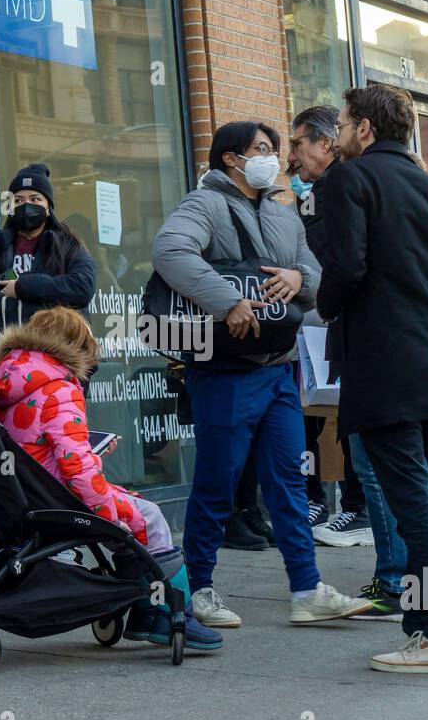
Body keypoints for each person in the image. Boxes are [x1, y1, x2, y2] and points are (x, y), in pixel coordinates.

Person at [152, 119, 370, 628]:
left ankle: (307, 587)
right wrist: (228, 301)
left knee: (290, 482)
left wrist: (299, 277)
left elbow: (316, 281)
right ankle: (196, 588)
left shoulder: (282, 215)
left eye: (274, 148)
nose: (273, 157)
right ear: (231, 158)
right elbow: (170, 252)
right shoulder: (203, 204)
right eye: (261, 149)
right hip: (224, 371)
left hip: (279, 369)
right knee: (217, 483)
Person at [318, 84, 428, 672]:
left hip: (385, 368)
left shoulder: (348, 181)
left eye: (340, 124)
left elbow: (345, 267)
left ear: (364, 128)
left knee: (414, 503)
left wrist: (326, 306)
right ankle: (424, 628)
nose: (335, 135)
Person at [0, 306, 224, 650]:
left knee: (129, 514)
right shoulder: (61, 388)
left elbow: (39, 449)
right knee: (151, 519)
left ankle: (145, 604)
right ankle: (170, 615)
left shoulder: (10, 383)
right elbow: (77, 469)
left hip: (28, 495)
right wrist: (111, 519)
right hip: (62, 500)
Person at [286, 105, 376, 547]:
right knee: (313, 416)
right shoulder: (306, 198)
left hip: (343, 321)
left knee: (348, 416)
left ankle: (358, 507)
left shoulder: (348, 186)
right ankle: (317, 499)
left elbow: (346, 262)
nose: (290, 156)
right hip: (310, 324)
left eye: (297, 143)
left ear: (326, 143)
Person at [0, 163, 96, 369]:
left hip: (60, 366)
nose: (26, 205)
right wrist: (51, 310)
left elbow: (82, 288)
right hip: (2, 366)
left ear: (48, 207)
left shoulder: (69, 245)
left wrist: (21, 288)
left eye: (35, 199)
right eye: (18, 200)